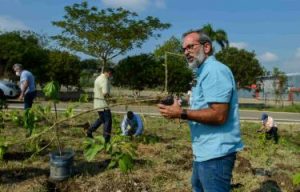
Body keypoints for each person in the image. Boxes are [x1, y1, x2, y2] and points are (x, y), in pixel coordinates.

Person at [158, 29, 244, 192]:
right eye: (184, 49)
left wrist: (181, 113)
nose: (186, 52)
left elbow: (219, 115)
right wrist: (179, 108)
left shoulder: (214, 71)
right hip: (204, 151)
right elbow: (203, 106)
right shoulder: (201, 72)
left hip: (216, 154)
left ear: (206, 47)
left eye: (190, 46)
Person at [86, 67, 114, 143]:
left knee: (102, 119)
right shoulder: (104, 80)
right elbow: (105, 93)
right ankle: (106, 139)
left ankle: (89, 131)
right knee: (108, 121)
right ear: (108, 72)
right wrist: (112, 99)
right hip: (103, 105)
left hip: (97, 103)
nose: (110, 76)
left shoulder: (98, 78)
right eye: (111, 74)